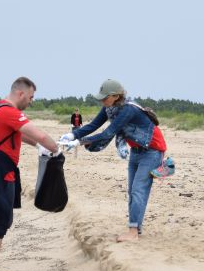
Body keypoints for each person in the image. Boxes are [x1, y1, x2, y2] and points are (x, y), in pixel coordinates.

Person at [0, 77, 60, 271]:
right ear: (20, 94)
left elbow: (20, 135)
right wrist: (55, 148)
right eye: (31, 97)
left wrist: (37, 147)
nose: (31, 101)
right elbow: (39, 134)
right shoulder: (9, 112)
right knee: (1, 221)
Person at [61, 79, 172, 242]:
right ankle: (136, 228)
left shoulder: (128, 109)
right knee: (132, 191)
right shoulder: (109, 108)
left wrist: (79, 142)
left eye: (104, 98)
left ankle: (133, 233)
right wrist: (72, 135)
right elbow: (93, 125)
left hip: (152, 151)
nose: (102, 101)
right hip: (136, 150)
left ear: (115, 96)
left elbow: (108, 133)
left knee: (138, 190)